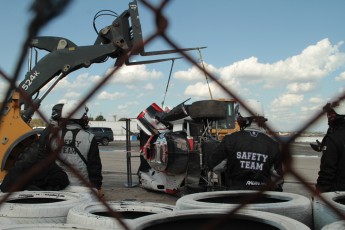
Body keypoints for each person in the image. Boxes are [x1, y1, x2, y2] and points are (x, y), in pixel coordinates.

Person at [207, 99, 284, 191]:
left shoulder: (230, 140)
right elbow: (278, 178)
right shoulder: (273, 145)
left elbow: (215, 166)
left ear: (242, 120)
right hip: (262, 198)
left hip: (234, 195)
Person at [46, 100, 103, 196]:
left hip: (57, 189)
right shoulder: (89, 138)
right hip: (83, 190)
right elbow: (95, 168)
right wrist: (97, 187)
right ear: (81, 118)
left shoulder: (52, 136)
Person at [316, 100, 345, 192]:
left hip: (337, 192)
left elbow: (327, 170)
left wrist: (320, 191)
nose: (329, 116)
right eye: (328, 113)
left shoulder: (332, 138)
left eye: (332, 113)